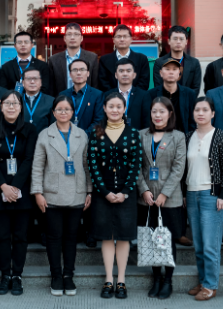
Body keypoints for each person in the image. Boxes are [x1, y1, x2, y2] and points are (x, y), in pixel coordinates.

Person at [31, 95, 92, 297]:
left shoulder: (82, 135)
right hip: (51, 195)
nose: (63, 112)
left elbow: (87, 165)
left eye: (67, 109)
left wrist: (89, 190)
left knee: (71, 238)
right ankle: (56, 275)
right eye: (59, 109)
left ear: (73, 112)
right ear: (53, 112)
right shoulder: (45, 135)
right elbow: (37, 166)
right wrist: (37, 193)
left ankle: (68, 275)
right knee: (54, 237)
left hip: (76, 193)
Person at [0, 91, 39, 297]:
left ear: (21, 107)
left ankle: (17, 275)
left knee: (21, 236)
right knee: (2, 236)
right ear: (1, 106)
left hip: (21, 191)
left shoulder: (30, 129)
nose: (11, 107)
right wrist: (3, 186)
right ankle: (5, 274)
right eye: (8, 103)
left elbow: (29, 159)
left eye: (15, 103)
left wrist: (15, 187)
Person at [87, 92, 142, 299]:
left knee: (124, 236)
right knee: (107, 236)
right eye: (111, 106)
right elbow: (92, 165)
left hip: (126, 193)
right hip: (103, 193)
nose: (115, 110)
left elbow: (136, 165)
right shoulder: (96, 132)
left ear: (124, 108)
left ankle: (122, 280)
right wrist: (105, 192)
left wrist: (125, 192)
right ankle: (109, 279)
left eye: (119, 106)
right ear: (104, 108)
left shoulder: (133, 133)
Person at [137, 97, 186, 300]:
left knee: (167, 240)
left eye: (162, 111)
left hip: (170, 198)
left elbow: (178, 168)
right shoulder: (141, 135)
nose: (158, 115)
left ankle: (168, 280)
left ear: (170, 114)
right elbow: (136, 166)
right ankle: (156, 278)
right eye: (154, 111)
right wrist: (143, 190)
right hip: (147, 198)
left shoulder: (178, 136)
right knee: (151, 239)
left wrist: (165, 193)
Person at [184, 97, 223, 302]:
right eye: (197, 110)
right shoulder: (188, 136)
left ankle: (211, 285)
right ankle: (203, 281)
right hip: (191, 193)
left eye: (205, 110)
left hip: (211, 196)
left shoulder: (220, 136)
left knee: (210, 245)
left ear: (212, 113)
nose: (200, 113)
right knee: (198, 244)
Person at [142, 58, 196, 135]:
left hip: (183, 137)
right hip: (158, 136)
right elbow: (147, 120)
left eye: (174, 69)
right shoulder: (150, 94)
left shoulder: (190, 94)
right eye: (167, 69)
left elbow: (192, 121)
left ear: (179, 73)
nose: (171, 72)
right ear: (161, 73)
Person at [48, 22, 100, 96]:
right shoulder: (54, 60)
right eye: (69, 34)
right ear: (64, 38)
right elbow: (51, 89)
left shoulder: (92, 58)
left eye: (76, 34)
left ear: (81, 38)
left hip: (85, 100)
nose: (72, 37)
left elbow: (95, 85)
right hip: (62, 101)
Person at [98, 24, 151, 91]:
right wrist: (115, 96)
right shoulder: (104, 60)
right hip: (112, 97)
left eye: (125, 36)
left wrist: (132, 95)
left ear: (131, 39)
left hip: (136, 96)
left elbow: (144, 83)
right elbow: (103, 83)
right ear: (113, 40)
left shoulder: (142, 59)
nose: (122, 39)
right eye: (118, 37)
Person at [153, 26, 202, 95]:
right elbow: (158, 87)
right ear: (169, 41)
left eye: (181, 39)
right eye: (175, 39)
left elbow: (195, 89)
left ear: (186, 42)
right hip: (166, 100)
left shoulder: (194, 63)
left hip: (187, 101)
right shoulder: (159, 62)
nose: (178, 42)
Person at [60, 58, 104, 136]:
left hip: (88, 139)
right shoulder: (62, 95)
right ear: (70, 74)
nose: (79, 73)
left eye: (82, 70)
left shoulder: (97, 95)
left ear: (88, 73)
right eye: (75, 70)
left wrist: (83, 136)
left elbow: (98, 121)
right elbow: (59, 119)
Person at [109, 58, 147, 130]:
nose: (125, 74)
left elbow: (147, 122)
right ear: (116, 75)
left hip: (137, 135)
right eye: (121, 71)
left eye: (128, 71)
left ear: (134, 75)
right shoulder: (107, 95)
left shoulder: (144, 96)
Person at [20, 68, 54, 134]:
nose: (32, 82)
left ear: (41, 82)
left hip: (43, 139)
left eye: (35, 78)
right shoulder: (16, 100)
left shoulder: (51, 101)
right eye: (28, 79)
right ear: (23, 83)